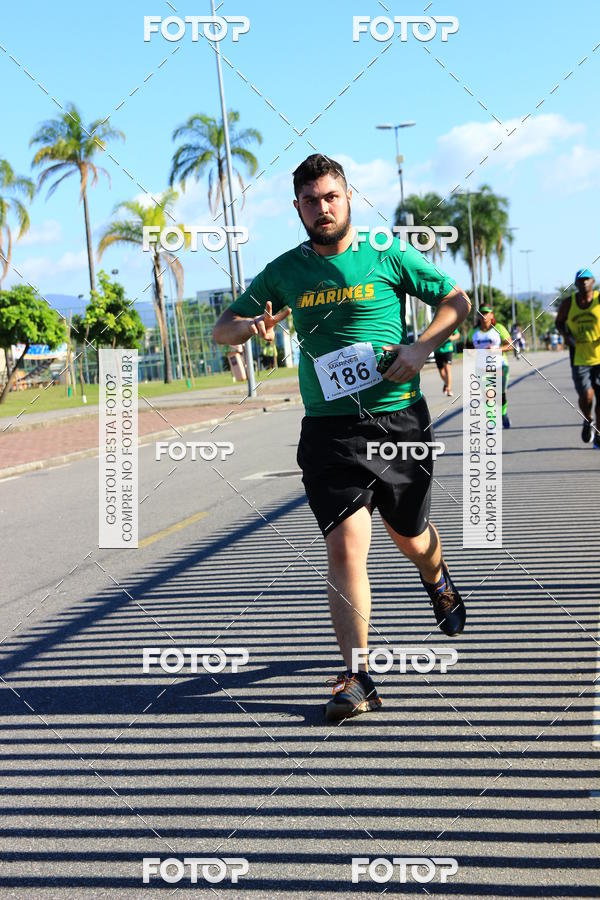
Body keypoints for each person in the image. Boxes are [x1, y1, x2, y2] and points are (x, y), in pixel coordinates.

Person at [213, 154, 471, 722]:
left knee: (410, 531)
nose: (322, 208)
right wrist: (248, 327)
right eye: (311, 200)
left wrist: (420, 347)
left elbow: (457, 302)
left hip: (398, 418)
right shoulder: (285, 271)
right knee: (346, 547)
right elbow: (221, 328)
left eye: (331, 197)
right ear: (297, 207)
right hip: (329, 429)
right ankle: (358, 676)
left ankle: (437, 577)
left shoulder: (387, 252)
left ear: (348, 196)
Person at [555, 267, 600, 447]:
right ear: (576, 284)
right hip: (579, 357)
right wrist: (567, 336)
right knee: (587, 396)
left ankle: (598, 434)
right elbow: (559, 322)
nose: (584, 283)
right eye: (580, 280)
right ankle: (588, 419)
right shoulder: (568, 303)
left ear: (593, 282)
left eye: (587, 279)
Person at [468, 306, 512, 428]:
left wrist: (497, 350)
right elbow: (468, 349)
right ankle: (491, 422)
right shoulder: (473, 332)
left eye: (487, 313)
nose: (484, 315)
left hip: (500, 366)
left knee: (501, 393)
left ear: (492, 315)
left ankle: (503, 414)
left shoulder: (498, 328)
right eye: (482, 313)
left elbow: (510, 345)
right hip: (482, 368)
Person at [434, 328, 460, 396]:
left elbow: (457, 334)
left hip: (447, 349)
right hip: (437, 350)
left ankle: (449, 389)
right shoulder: (435, 324)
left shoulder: (449, 323)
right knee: (441, 372)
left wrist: (452, 337)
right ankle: (446, 383)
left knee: (447, 369)